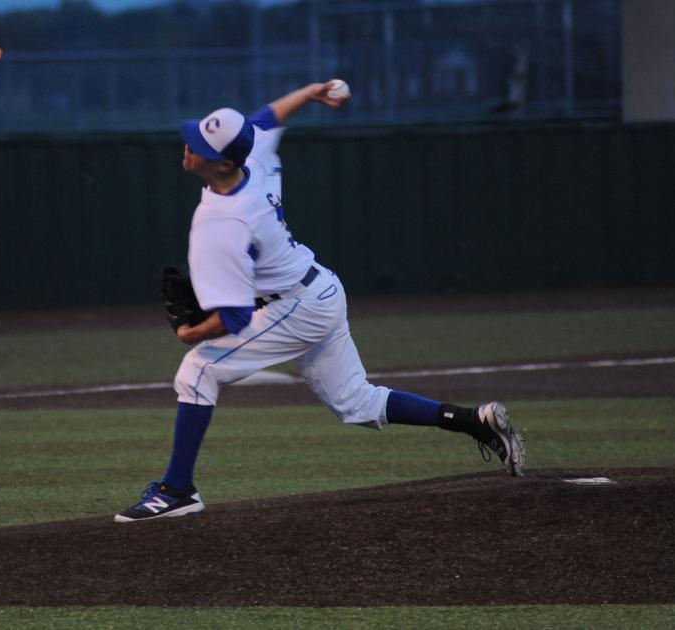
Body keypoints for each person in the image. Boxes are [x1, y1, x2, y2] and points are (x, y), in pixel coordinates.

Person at [114, 81, 526, 523]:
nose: (187, 147)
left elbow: (233, 318)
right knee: (358, 404)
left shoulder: (223, 223)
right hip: (319, 288)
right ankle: (474, 421)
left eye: (196, 145)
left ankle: (178, 490)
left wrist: (188, 333)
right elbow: (267, 119)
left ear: (219, 163)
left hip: (296, 307)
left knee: (197, 370)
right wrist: (311, 93)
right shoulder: (252, 158)